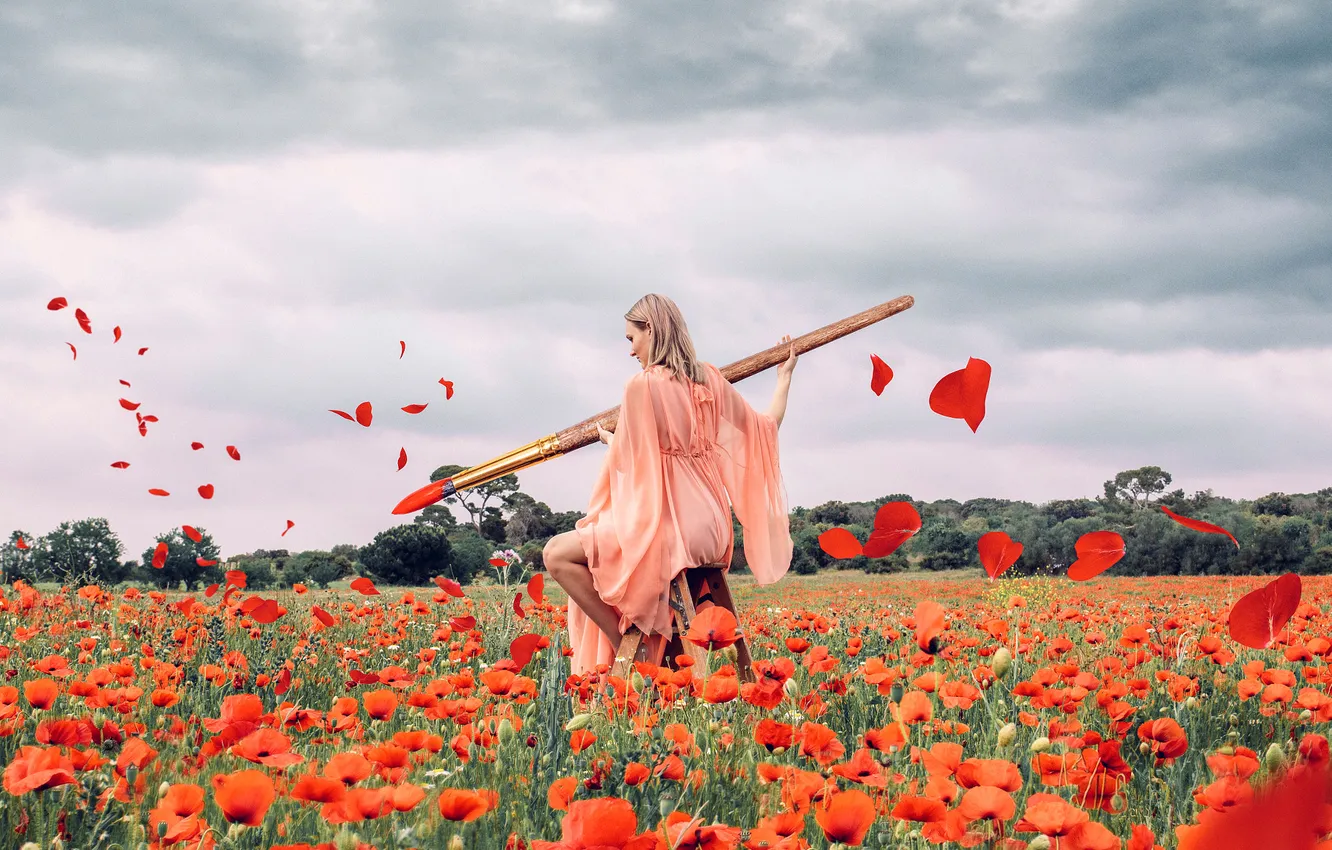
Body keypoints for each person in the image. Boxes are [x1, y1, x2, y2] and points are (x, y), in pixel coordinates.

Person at [542, 293, 798, 677]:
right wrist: (784, 377)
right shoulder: (709, 377)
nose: (631, 351)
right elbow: (766, 428)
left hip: (671, 528)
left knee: (557, 553)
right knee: (591, 548)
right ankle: (657, 651)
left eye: (632, 339)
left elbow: (631, 462)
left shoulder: (641, 386)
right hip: (712, 528)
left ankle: (629, 645)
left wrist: (611, 443)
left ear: (652, 330)